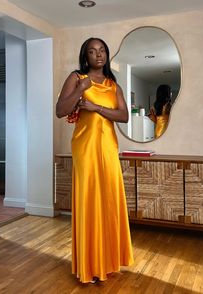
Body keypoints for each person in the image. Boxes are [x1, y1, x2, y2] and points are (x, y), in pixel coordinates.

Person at [56, 37, 134, 284]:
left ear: (106, 55)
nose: (98, 55)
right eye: (92, 51)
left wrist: (95, 106)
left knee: (109, 201)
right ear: (85, 56)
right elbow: (60, 111)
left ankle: (108, 261)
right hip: (86, 147)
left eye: (101, 51)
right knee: (89, 200)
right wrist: (80, 90)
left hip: (109, 147)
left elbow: (124, 116)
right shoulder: (76, 78)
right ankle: (89, 266)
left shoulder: (113, 85)